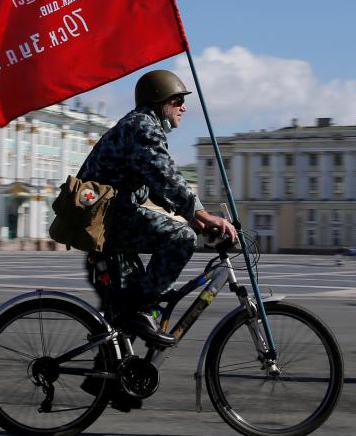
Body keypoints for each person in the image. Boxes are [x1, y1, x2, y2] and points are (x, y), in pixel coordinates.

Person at [76, 69, 237, 347]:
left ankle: (107, 380)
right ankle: (142, 310)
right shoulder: (143, 127)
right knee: (180, 238)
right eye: (177, 101)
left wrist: (195, 218)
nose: (183, 107)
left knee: (123, 309)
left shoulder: (138, 126)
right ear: (159, 100)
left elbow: (156, 184)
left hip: (105, 218)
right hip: (106, 220)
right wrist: (201, 215)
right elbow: (167, 178)